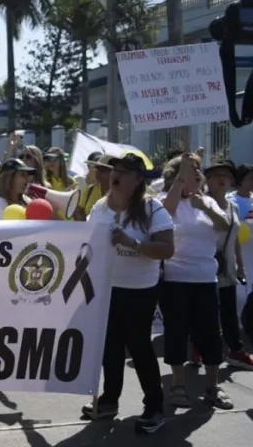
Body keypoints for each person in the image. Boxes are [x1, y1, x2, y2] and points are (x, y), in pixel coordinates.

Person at [82, 153, 175, 434]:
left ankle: (155, 406)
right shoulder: (100, 206)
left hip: (139, 291)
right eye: (114, 170)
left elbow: (167, 249)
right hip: (107, 288)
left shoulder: (152, 208)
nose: (115, 174)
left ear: (138, 180)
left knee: (139, 346)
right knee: (109, 348)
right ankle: (110, 401)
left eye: (124, 171)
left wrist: (132, 242)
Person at [158, 153, 233, 410]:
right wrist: (181, 181)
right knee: (177, 332)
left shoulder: (208, 200)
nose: (198, 173)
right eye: (192, 169)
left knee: (210, 333)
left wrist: (206, 207)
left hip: (205, 279)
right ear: (179, 175)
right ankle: (178, 384)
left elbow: (224, 226)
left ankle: (212, 386)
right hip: (175, 278)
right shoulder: (167, 201)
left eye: (199, 169)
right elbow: (165, 212)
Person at [203, 161, 253, 369]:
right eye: (216, 175)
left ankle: (235, 350)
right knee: (206, 311)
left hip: (228, 268)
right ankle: (201, 348)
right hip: (205, 267)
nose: (222, 179)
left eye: (226, 175)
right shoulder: (201, 204)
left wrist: (240, 265)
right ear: (208, 179)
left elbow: (234, 239)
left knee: (229, 312)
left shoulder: (231, 206)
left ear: (232, 180)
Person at [74, 154, 113, 221]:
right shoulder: (90, 189)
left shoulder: (118, 193)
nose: (97, 172)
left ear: (112, 173)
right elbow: (79, 210)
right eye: (97, 168)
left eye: (103, 170)